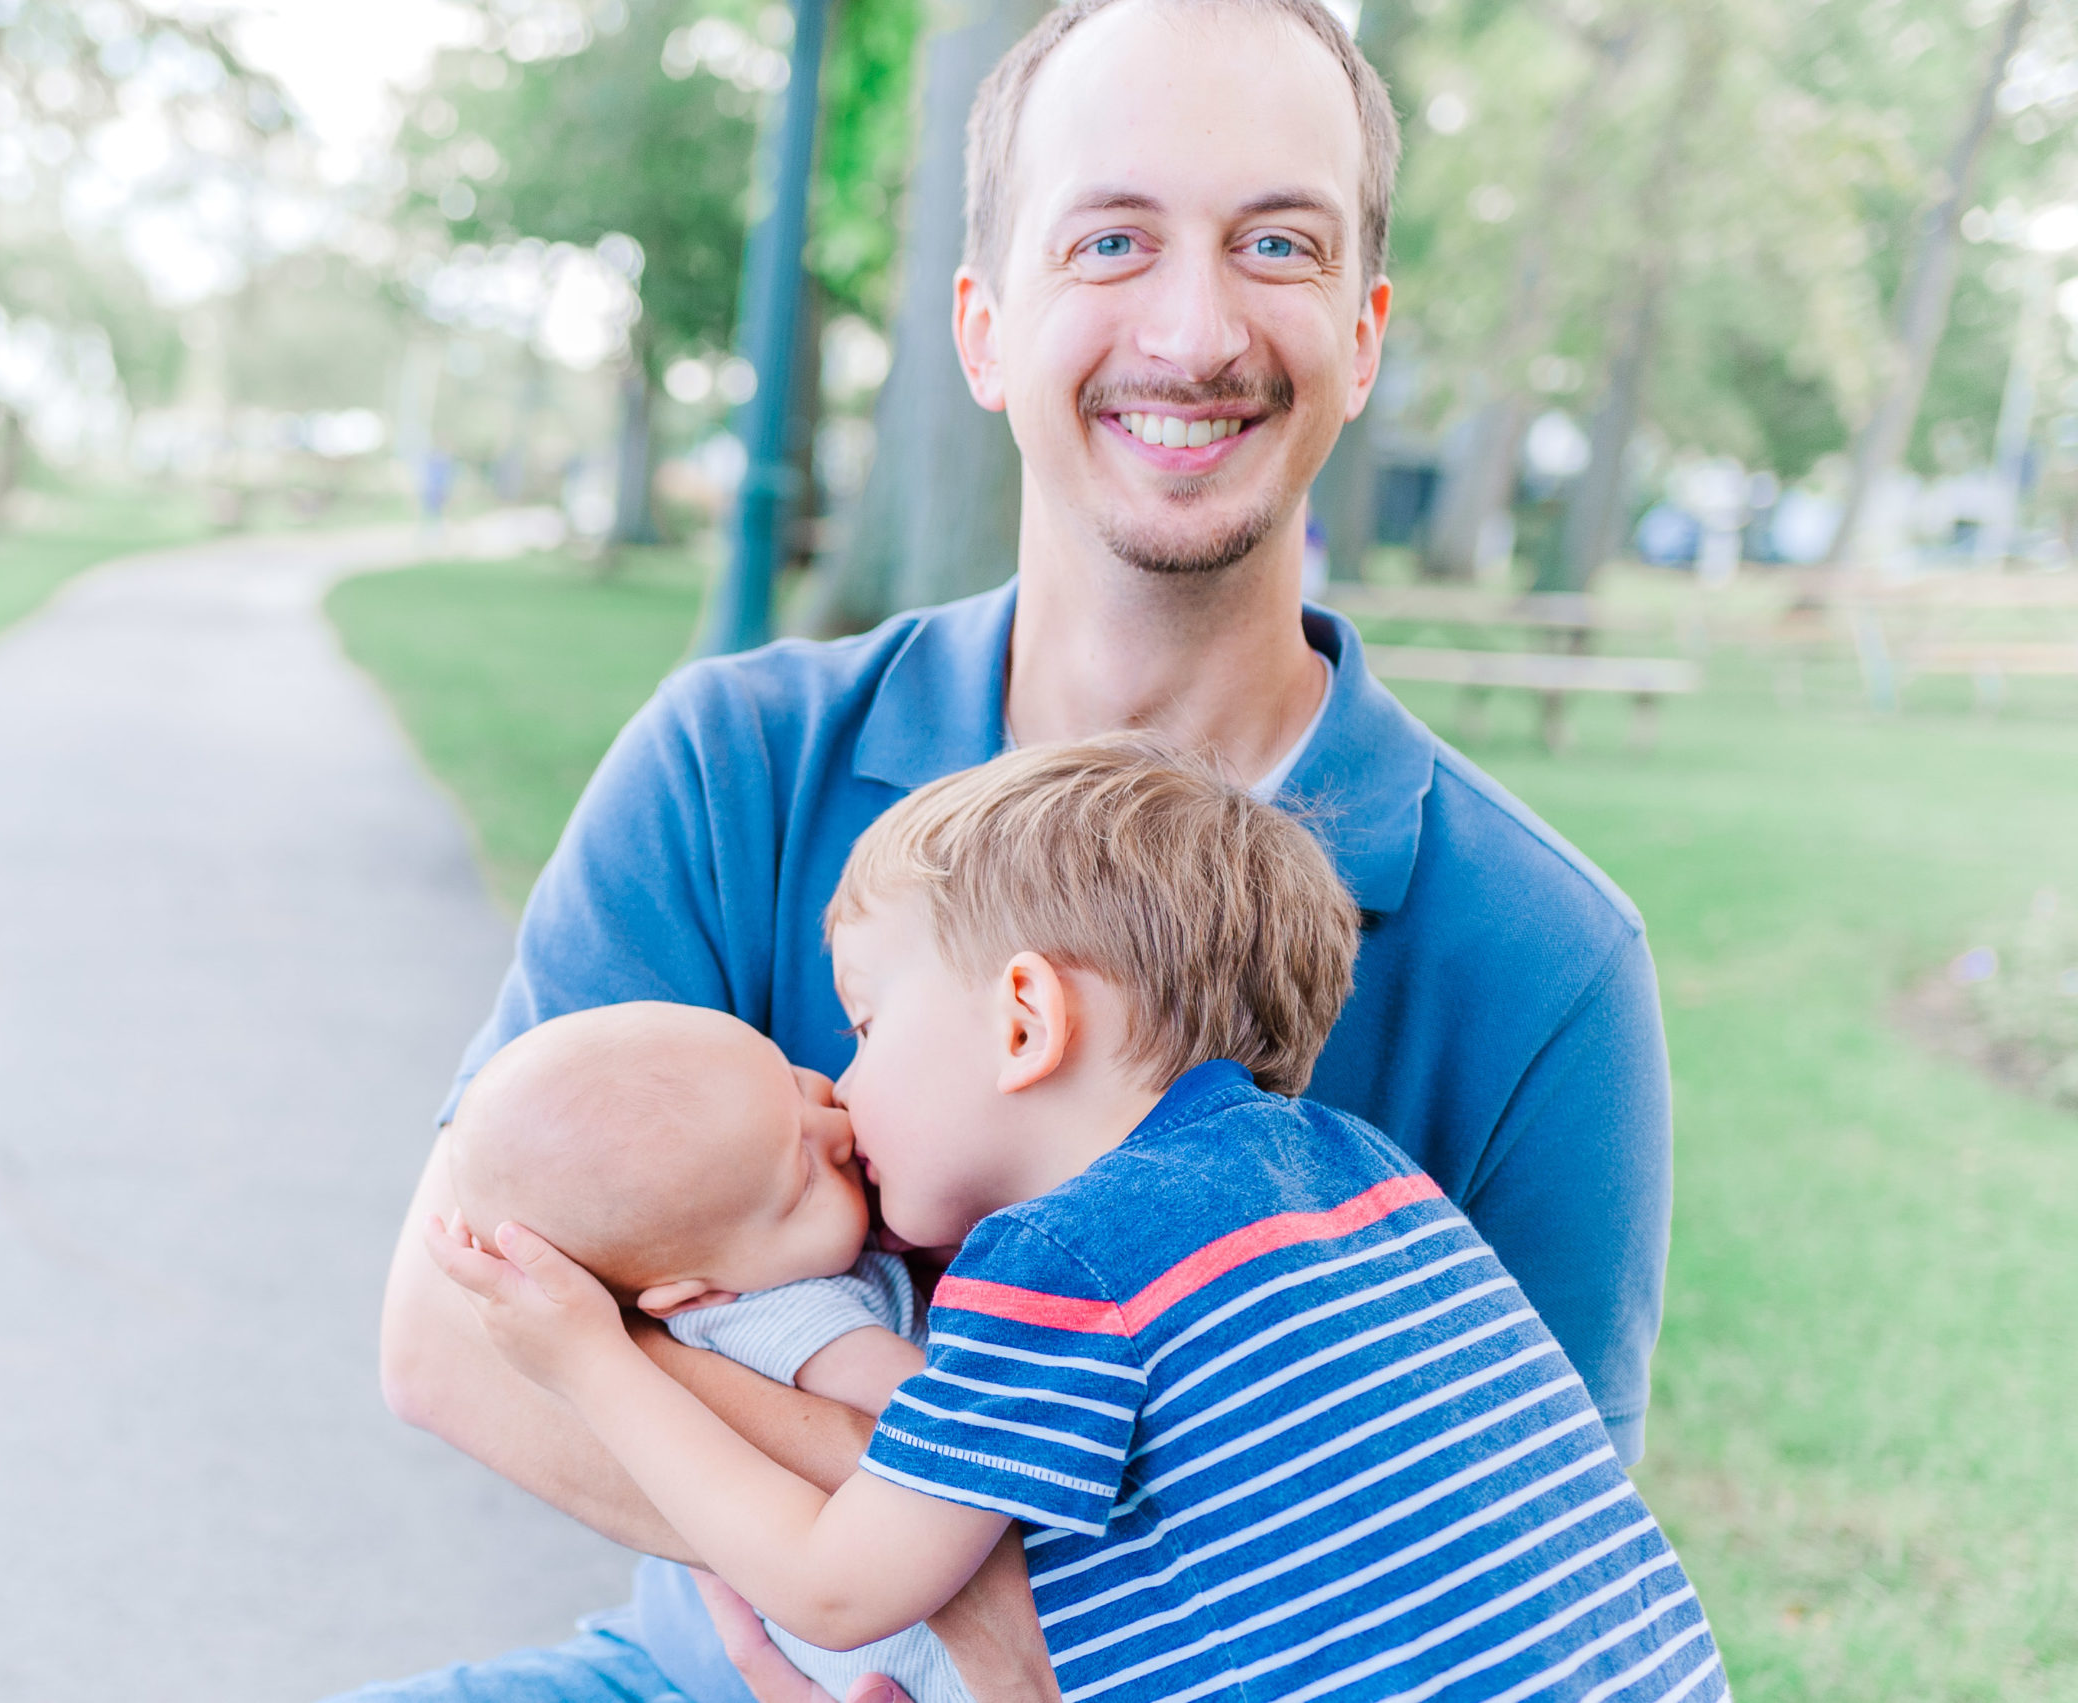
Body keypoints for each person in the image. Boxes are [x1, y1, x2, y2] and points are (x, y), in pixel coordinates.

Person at [370, 0, 1673, 1699]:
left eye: (1276, 241)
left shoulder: (1545, 961)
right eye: (1111, 238)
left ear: (1362, 332)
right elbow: (452, 1329)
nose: (1196, 328)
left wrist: (989, 1659)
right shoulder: (737, 762)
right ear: (985, 329)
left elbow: (1519, 1570)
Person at [429, 740, 1721, 1703]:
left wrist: (594, 1359)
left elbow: (838, 1580)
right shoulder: (1360, 1172)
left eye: (868, 1022)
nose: (842, 1079)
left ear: (1026, 1021)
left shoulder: (1057, 1264)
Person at [448, 1000, 974, 1703]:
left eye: (791, 1079)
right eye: (806, 1180)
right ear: (688, 1294)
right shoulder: (777, 1314)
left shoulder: (761, 1265)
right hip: (930, 1662)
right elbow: (941, 1408)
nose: (839, 1128)